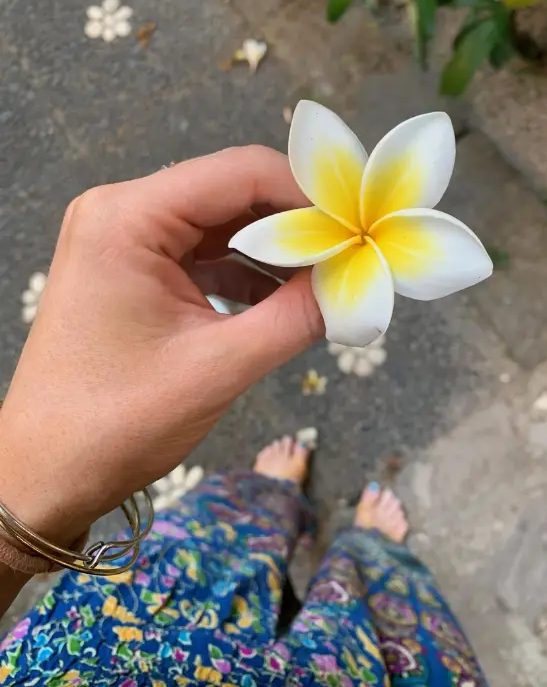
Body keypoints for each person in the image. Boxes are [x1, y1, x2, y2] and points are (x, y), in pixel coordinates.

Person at [0, 147, 488, 685]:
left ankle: (270, 500)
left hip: (91, 655)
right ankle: (369, 556)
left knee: (211, 551)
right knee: (378, 624)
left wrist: (23, 499)